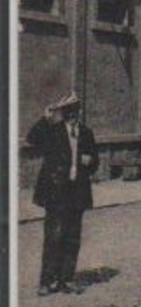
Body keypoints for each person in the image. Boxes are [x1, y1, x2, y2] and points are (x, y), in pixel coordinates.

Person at [27, 92, 99, 296]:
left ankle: (66, 279)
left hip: (77, 193)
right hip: (56, 192)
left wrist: (90, 161)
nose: (72, 115)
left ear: (79, 112)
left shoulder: (86, 133)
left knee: (72, 237)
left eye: (75, 111)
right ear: (63, 114)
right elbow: (32, 139)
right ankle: (46, 281)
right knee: (54, 236)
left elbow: (95, 162)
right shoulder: (53, 131)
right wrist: (45, 117)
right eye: (68, 112)